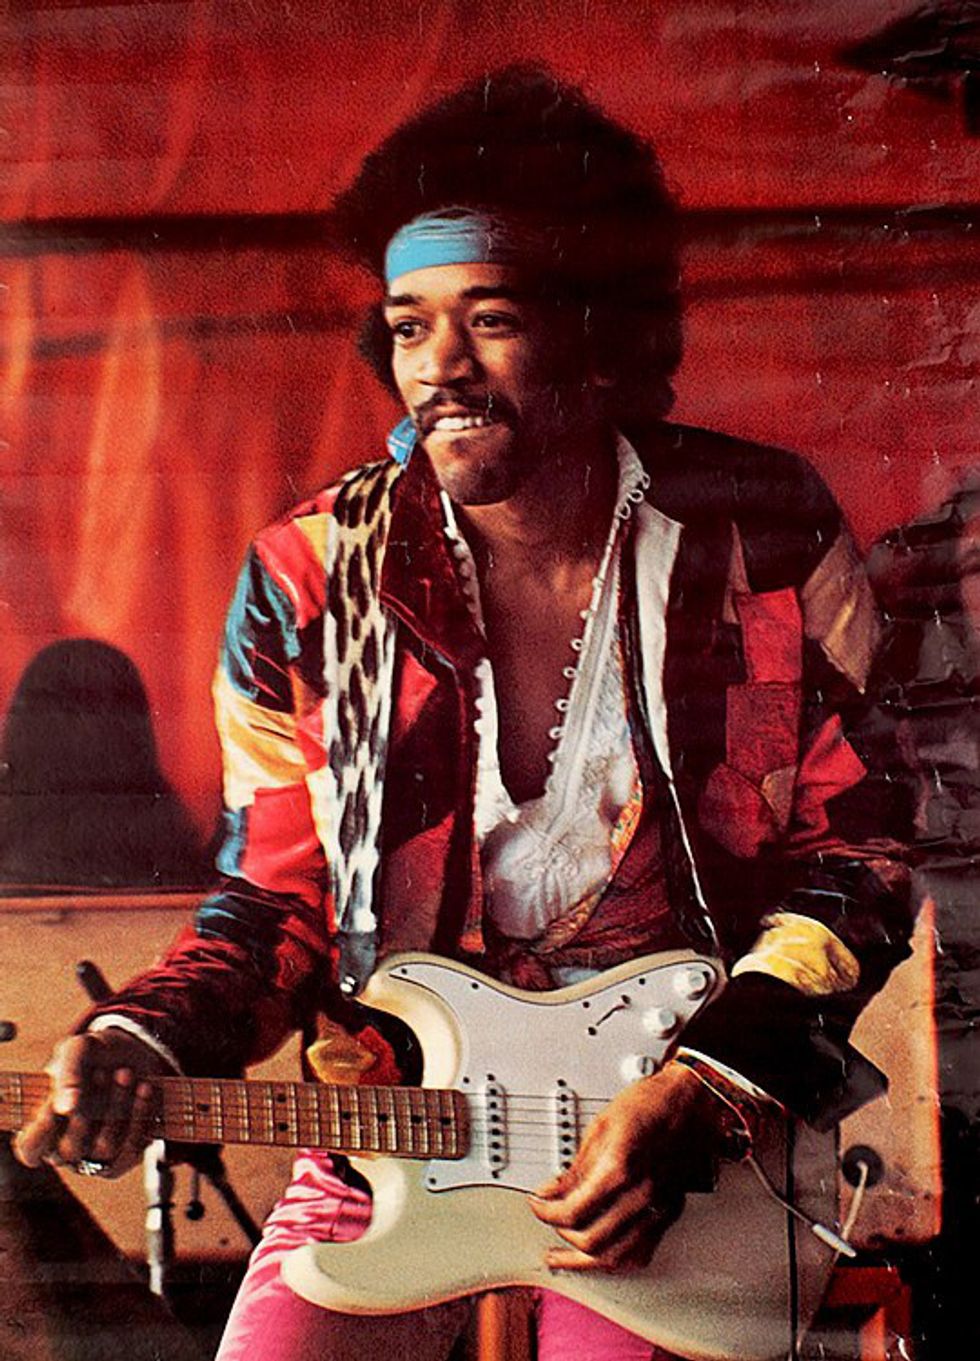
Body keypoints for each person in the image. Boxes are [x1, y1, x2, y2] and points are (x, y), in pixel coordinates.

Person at [15, 67, 914, 1361]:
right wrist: (139, 1034)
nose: (438, 367)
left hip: (694, 1150)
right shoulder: (308, 576)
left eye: (489, 319)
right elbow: (276, 905)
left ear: (597, 332)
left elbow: (861, 856)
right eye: (407, 324)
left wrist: (709, 1085)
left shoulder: (761, 537)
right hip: (390, 1137)